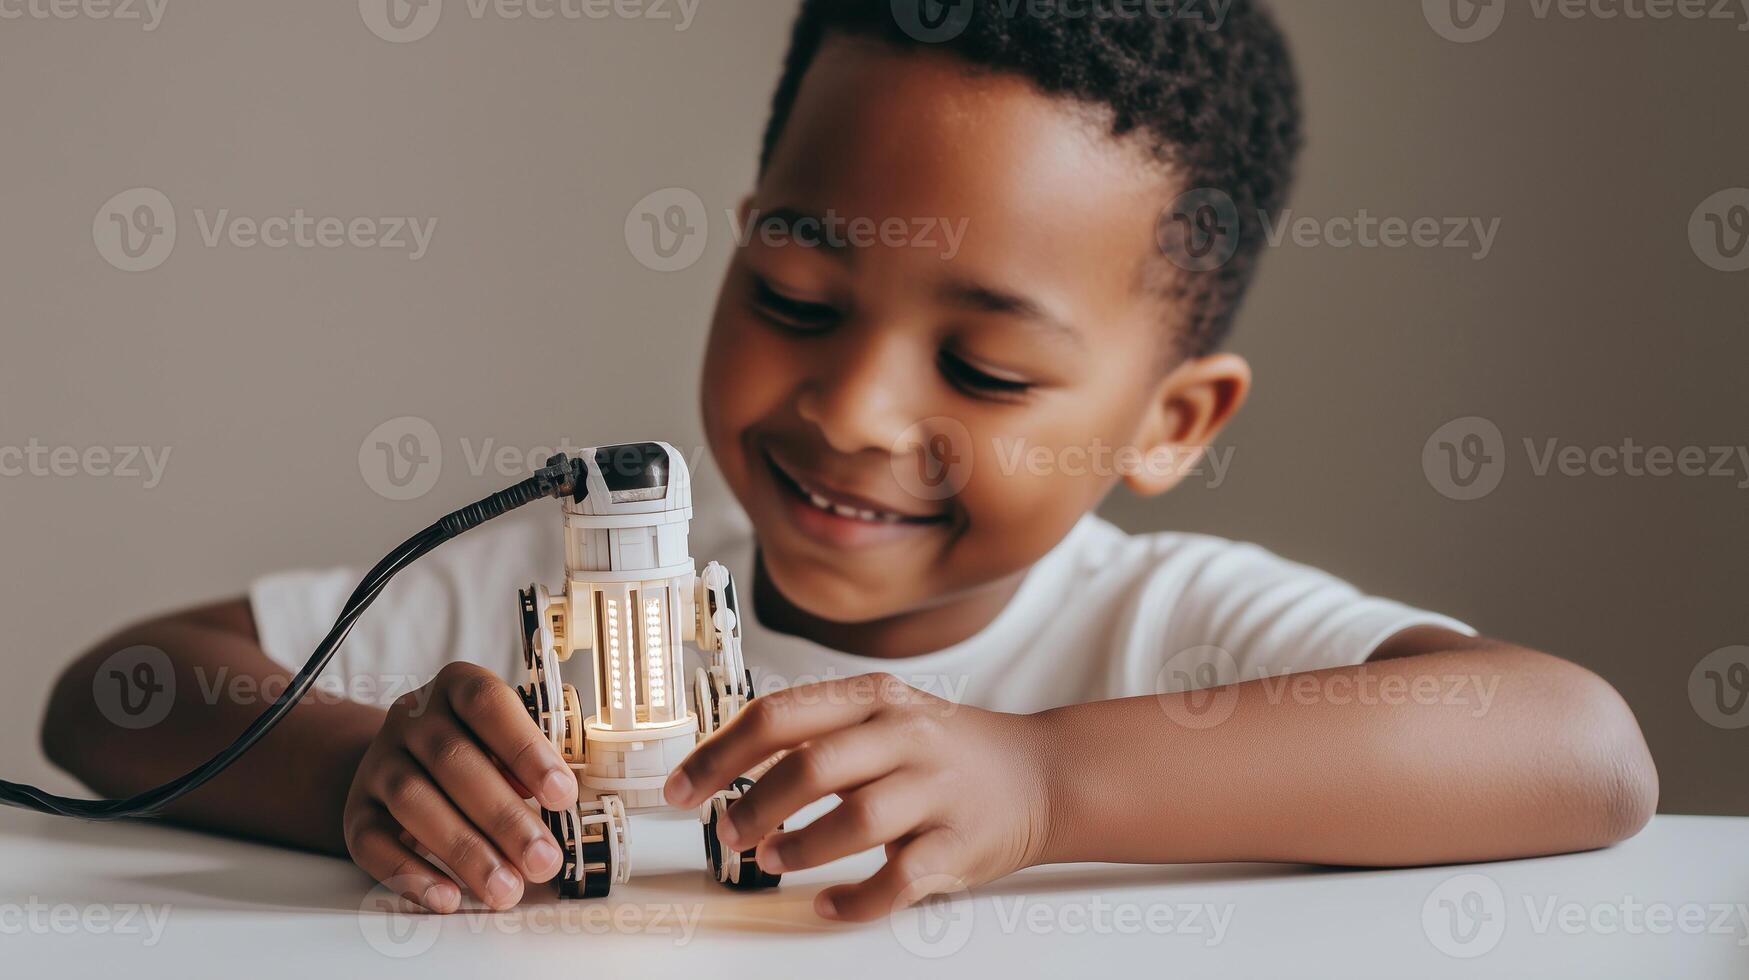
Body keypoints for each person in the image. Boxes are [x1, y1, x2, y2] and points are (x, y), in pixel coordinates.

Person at [40, 0, 1656, 923]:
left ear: (1171, 423)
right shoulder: (583, 570)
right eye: (795, 299)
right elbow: (121, 690)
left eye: (985, 367)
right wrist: (357, 773)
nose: (855, 411)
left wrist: (1042, 783)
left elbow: (1578, 749)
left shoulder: (1173, 631)